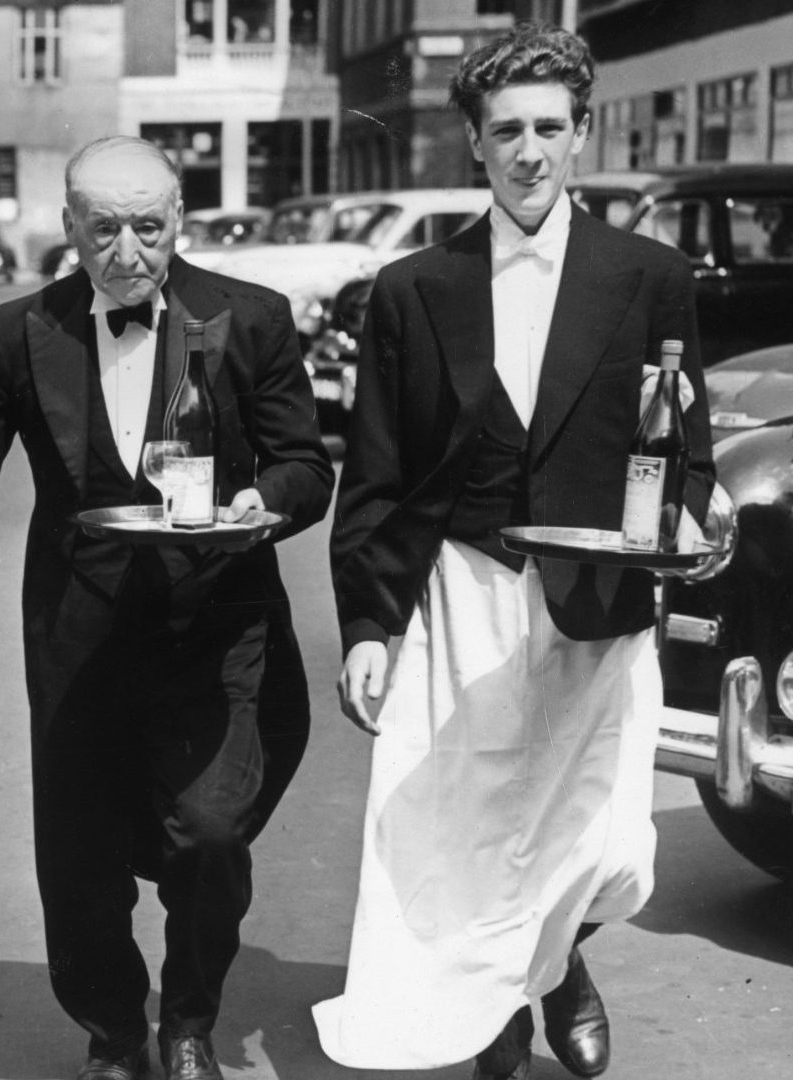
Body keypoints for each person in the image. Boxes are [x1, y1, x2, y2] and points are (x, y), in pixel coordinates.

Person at [314, 23, 713, 1080]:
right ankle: (496, 1015)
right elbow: (379, 472)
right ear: (475, 148)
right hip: (465, 593)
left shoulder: (651, 276)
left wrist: (688, 523)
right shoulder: (413, 290)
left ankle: (561, 959)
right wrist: (365, 624)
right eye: (506, 132)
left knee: (613, 844)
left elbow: (691, 456)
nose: (529, 151)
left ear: (582, 133)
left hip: (600, 596)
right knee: (476, 825)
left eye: (549, 127)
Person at [0, 136, 333, 1080]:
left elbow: (307, 462)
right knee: (79, 861)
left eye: (149, 226)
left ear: (178, 220)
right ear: (69, 228)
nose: (128, 251)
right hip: (80, 637)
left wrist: (266, 505)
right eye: (104, 229)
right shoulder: (23, 331)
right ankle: (112, 1032)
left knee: (212, 837)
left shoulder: (250, 317)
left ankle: (187, 1021)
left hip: (216, 624)